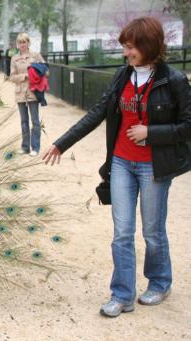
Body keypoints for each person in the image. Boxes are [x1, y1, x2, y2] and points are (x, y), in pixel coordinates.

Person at [42, 17, 191, 318]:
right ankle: (122, 294)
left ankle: (160, 283)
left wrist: (151, 133)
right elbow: (97, 112)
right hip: (122, 163)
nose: (126, 53)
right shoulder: (123, 76)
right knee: (122, 231)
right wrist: (62, 143)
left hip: (153, 166)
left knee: (152, 230)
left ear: (149, 46)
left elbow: (188, 125)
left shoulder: (173, 80)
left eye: (131, 47)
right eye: (125, 47)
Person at [9, 33, 45, 156]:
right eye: (20, 42)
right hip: (20, 93)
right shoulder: (14, 58)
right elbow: (12, 77)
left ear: (28, 43)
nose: (22, 44)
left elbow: (45, 70)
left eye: (24, 42)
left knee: (35, 121)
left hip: (33, 91)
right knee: (24, 121)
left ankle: (35, 147)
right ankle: (25, 147)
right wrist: (24, 76)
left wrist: (37, 74)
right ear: (17, 45)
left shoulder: (35, 55)